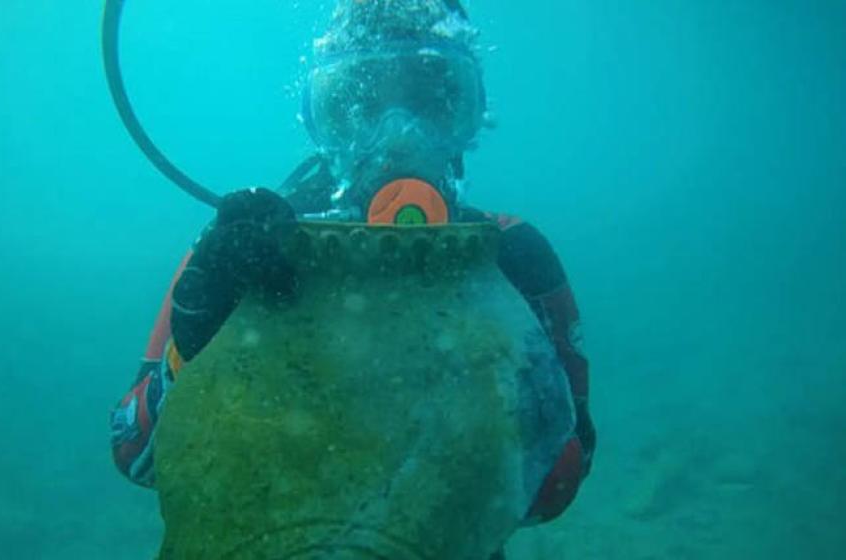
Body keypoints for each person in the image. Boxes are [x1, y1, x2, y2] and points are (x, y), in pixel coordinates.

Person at [110, 0, 595, 555]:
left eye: (431, 101)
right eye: (359, 107)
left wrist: (509, 377)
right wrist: (191, 347)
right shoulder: (242, 248)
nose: (396, 137)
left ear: (468, 116)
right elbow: (136, 452)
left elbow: (557, 486)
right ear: (322, 123)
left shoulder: (512, 258)